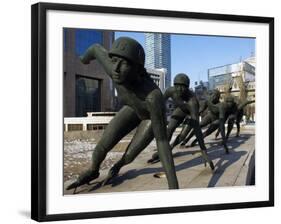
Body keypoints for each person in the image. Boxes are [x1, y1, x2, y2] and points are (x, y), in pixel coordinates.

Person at [66, 37, 179, 192]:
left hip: (148, 116)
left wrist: (174, 188)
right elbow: (95, 49)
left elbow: (162, 142)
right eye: (115, 61)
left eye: (125, 63)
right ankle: (93, 170)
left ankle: (117, 166)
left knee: (130, 155)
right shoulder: (114, 69)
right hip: (132, 108)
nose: (116, 69)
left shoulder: (153, 97)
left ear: (138, 69)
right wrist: (83, 59)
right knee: (101, 147)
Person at [146, 74, 214, 169]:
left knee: (182, 135)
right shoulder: (170, 90)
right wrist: (162, 117)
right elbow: (161, 103)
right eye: (177, 86)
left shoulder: (192, 101)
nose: (180, 90)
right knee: (169, 129)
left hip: (191, 113)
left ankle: (171, 147)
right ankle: (164, 149)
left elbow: (197, 129)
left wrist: (204, 151)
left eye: (183, 87)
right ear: (174, 85)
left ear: (187, 87)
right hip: (181, 109)